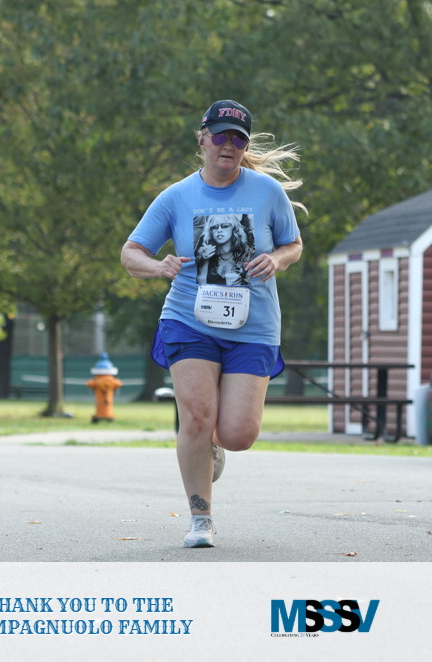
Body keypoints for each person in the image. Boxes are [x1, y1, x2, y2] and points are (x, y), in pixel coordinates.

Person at [121, 99, 304, 548]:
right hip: (189, 320)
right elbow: (130, 253)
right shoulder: (176, 197)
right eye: (220, 136)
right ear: (202, 139)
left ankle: (212, 443)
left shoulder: (267, 193)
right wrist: (158, 266)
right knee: (197, 417)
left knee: (239, 434)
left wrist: (277, 259)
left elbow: (294, 244)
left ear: (245, 147)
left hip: (253, 326)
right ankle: (201, 519)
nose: (228, 145)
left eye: (238, 139)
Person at [196, 213, 253, 286]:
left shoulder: (245, 253)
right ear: (210, 231)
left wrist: (243, 283)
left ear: (234, 228)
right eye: (215, 227)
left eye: (225, 226)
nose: (219, 230)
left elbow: (252, 283)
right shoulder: (207, 253)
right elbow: (201, 285)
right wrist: (203, 259)